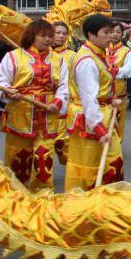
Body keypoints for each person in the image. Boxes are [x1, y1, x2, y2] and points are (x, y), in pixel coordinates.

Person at [0, 20, 68, 191]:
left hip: (48, 117)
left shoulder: (58, 60)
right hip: (20, 116)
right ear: (31, 36)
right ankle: (17, 197)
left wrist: (57, 102)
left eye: (50, 36)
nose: (48, 39)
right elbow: (1, 80)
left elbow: (64, 86)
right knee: (18, 161)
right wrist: (8, 91)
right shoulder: (13, 57)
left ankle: (43, 198)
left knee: (44, 162)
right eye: (43, 36)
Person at [64, 14, 123, 191]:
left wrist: (110, 99)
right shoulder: (87, 61)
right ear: (91, 35)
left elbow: (99, 89)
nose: (110, 36)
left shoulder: (96, 55)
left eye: (111, 32)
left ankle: (108, 203)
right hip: (89, 119)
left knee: (113, 163)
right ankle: (83, 206)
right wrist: (99, 128)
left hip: (102, 114)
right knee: (88, 168)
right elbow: (89, 97)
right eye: (106, 32)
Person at [52, 21, 76, 165]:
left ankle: (72, 163)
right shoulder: (44, 54)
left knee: (61, 141)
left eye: (64, 33)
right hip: (44, 103)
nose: (61, 36)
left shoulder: (72, 56)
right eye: (58, 33)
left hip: (65, 103)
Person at [107, 22, 131, 141]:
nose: (115, 34)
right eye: (112, 31)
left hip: (119, 91)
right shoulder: (102, 49)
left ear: (122, 34)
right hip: (104, 91)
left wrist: (113, 71)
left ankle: (117, 142)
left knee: (119, 117)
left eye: (118, 32)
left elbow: (128, 70)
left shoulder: (126, 51)